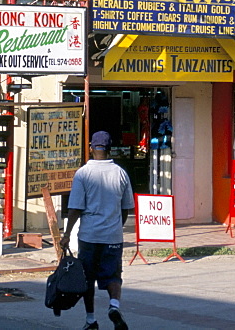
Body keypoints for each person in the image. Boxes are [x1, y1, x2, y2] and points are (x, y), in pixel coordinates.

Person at [61, 131, 135, 330]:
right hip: (113, 236)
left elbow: (75, 208)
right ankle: (114, 305)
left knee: (88, 278)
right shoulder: (120, 173)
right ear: (110, 148)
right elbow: (126, 208)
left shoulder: (83, 173)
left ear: (91, 147)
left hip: (89, 236)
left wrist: (67, 234)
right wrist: (116, 227)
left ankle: (91, 319)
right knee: (113, 275)